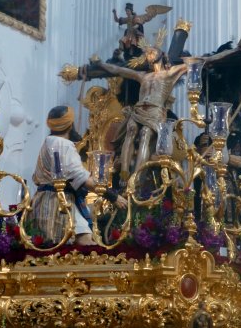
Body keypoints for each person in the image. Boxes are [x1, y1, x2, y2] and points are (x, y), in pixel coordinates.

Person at [83, 46, 187, 183]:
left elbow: (191, 64)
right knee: (131, 130)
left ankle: (136, 177)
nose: (149, 53)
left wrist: (211, 58)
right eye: (147, 52)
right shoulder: (142, 75)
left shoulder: (169, 74)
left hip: (155, 111)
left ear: (161, 54)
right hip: (139, 109)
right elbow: (118, 70)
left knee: (145, 134)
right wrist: (100, 64)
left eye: (152, 51)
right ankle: (124, 173)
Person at [30, 106, 126, 246]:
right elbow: (81, 178)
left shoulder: (49, 142)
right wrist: (112, 196)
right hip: (58, 203)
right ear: (70, 124)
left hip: (45, 200)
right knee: (84, 241)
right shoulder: (62, 144)